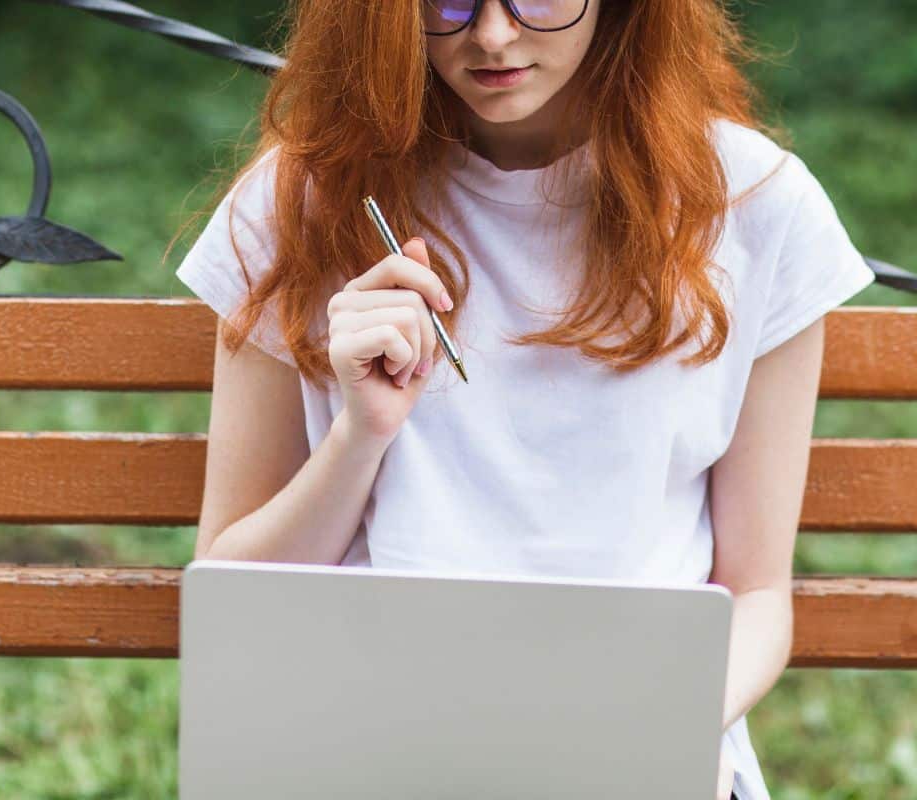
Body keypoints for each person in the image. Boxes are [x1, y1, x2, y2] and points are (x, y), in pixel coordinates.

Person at [168, 1, 875, 798]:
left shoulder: (753, 206)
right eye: (448, 0)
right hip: (369, 749)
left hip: (639, 742)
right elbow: (237, 596)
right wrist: (360, 435)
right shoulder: (299, 204)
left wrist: (654, 731)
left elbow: (756, 595)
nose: (493, 36)